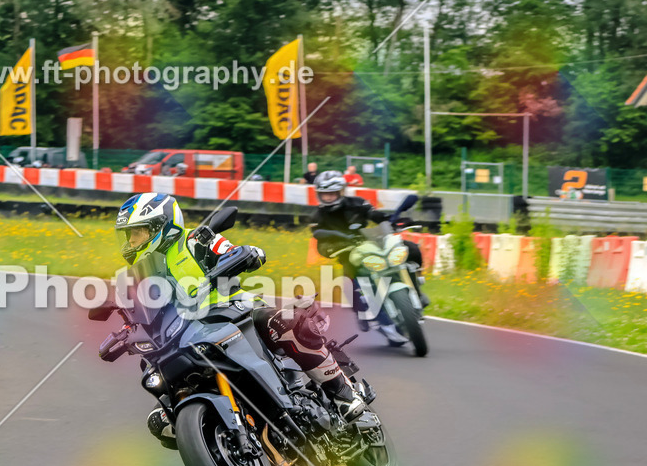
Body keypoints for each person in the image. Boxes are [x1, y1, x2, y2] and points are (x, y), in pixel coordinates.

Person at [114, 193, 366, 434]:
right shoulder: (142, 276)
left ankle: (343, 393)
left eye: (137, 233)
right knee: (160, 421)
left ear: (162, 225)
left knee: (285, 323)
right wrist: (125, 333)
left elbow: (232, 250)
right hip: (186, 335)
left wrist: (244, 254)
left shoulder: (195, 240)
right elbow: (142, 313)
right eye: (128, 236)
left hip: (235, 311)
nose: (131, 242)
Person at [311, 171, 426, 344]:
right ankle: (365, 315)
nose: (328, 197)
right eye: (324, 194)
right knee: (349, 283)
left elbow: (375, 215)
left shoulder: (356, 203)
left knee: (410, 248)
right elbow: (319, 235)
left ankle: (417, 284)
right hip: (348, 252)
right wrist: (333, 243)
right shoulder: (318, 216)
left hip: (371, 243)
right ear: (319, 194)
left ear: (341, 192)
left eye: (332, 193)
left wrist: (392, 220)